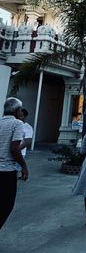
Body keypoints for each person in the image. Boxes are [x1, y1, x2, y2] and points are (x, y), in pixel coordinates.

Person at [0, 97, 29, 229]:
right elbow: (14, 149)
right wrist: (24, 166)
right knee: (6, 205)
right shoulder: (17, 124)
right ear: (17, 110)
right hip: (7, 170)